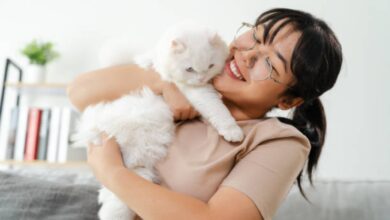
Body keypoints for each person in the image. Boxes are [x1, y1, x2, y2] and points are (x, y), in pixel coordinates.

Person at [67, 8, 342, 220]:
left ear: (288, 100)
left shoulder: (279, 142)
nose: (248, 55)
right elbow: (79, 92)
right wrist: (164, 83)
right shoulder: (185, 74)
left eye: (271, 62)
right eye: (256, 37)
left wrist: (112, 172)